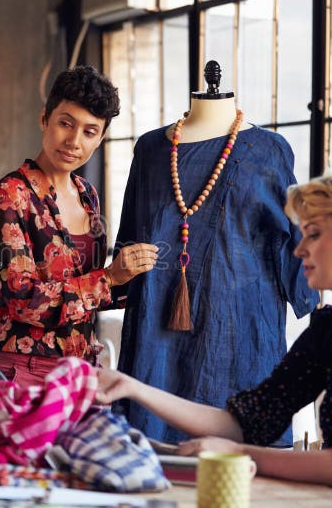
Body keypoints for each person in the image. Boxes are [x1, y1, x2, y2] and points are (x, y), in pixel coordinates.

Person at [96, 170, 332, 506]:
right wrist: (131, 387)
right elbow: (245, 422)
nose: (299, 249)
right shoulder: (331, 330)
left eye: (313, 234)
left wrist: (239, 454)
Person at [113, 73, 318, 444]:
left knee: (241, 473)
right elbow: (129, 243)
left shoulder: (268, 151)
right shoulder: (151, 150)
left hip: (237, 336)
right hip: (156, 338)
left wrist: (312, 292)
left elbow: (294, 244)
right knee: (156, 468)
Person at [0, 65, 158, 385]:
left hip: (80, 370)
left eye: (90, 131)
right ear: (44, 119)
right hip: (24, 370)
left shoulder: (87, 195)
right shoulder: (10, 195)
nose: (74, 141)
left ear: (101, 138)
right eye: (66, 123)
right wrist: (109, 277)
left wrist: (135, 279)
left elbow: (87, 293)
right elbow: (24, 302)